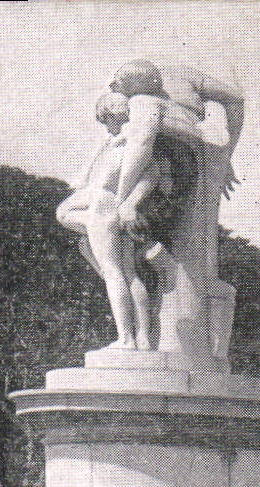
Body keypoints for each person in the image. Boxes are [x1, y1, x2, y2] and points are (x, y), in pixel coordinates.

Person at [56, 92, 167, 350]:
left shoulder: (126, 143)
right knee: (128, 273)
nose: (105, 125)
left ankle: (126, 338)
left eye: (105, 119)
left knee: (113, 272)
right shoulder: (127, 143)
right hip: (117, 211)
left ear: (111, 114)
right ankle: (142, 338)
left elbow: (92, 189)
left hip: (103, 207)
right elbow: (149, 176)